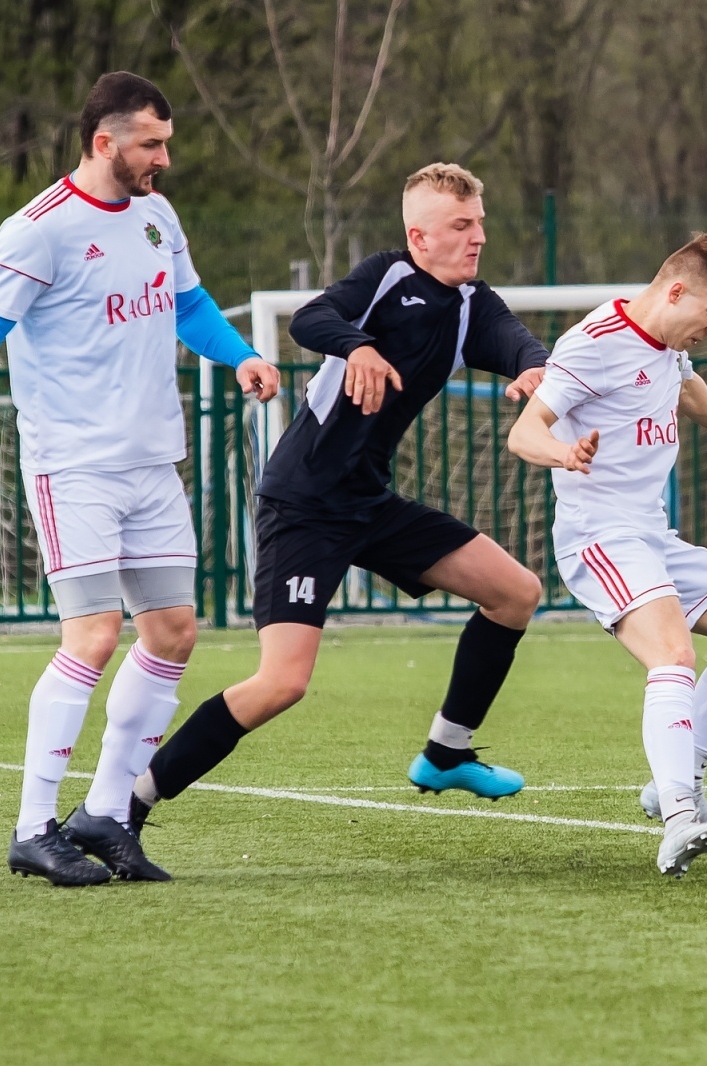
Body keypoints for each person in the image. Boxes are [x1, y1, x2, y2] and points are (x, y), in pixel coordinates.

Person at [0, 72, 279, 887]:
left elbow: (188, 306)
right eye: (151, 144)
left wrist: (240, 356)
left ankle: (105, 813)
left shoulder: (159, 217)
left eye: (166, 142)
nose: (164, 158)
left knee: (173, 633)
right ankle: (33, 828)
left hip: (153, 463)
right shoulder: (38, 229)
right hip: (74, 466)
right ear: (104, 143)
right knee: (91, 637)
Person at [130, 162, 546, 835]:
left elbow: (518, 343)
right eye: (461, 225)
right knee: (282, 684)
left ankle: (446, 752)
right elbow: (311, 319)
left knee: (515, 592)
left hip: (370, 504)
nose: (477, 238)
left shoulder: (472, 304)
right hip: (304, 504)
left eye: (480, 224)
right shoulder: (386, 276)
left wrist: (533, 370)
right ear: (419, 237)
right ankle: (128, 804)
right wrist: (357, 348)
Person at [507, 233, 707, 878]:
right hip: (600, 537)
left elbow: (685, 386)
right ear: (676, 292)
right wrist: (565, 454)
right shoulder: (593, 343)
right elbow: (525, 433)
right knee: (673, 655)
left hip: (651, 535)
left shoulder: (666, 344)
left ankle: (676, 782)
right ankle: (680, 817)